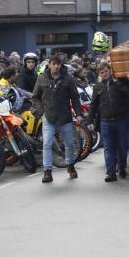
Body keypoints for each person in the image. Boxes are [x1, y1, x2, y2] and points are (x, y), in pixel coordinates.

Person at [32, 55, 83, 184]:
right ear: (49, 65)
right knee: (47, 144)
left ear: (61, 65)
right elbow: (35, 97)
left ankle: (70, 165)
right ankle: (47, 171)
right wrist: (41, 111)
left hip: (64, 117)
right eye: (54, 64)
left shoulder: (68, 78)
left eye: (58, 64)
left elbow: (75, 97)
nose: (56, 66)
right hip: (48, 117)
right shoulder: (42, 78)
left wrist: (79, 114)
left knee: (70, 144)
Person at [87, 61, 129, 183]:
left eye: (106, 71)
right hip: (106, 121)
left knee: (123, 146)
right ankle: (111, 172)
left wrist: (118, 83)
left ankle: (122, 167)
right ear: (99, 74)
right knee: (108, 148)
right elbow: (93, 105)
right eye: (102, 72)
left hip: (121, 120)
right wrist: (90, 121)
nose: (104, 74)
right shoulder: (97, 86)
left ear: (110, 71)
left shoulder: (120, 82)